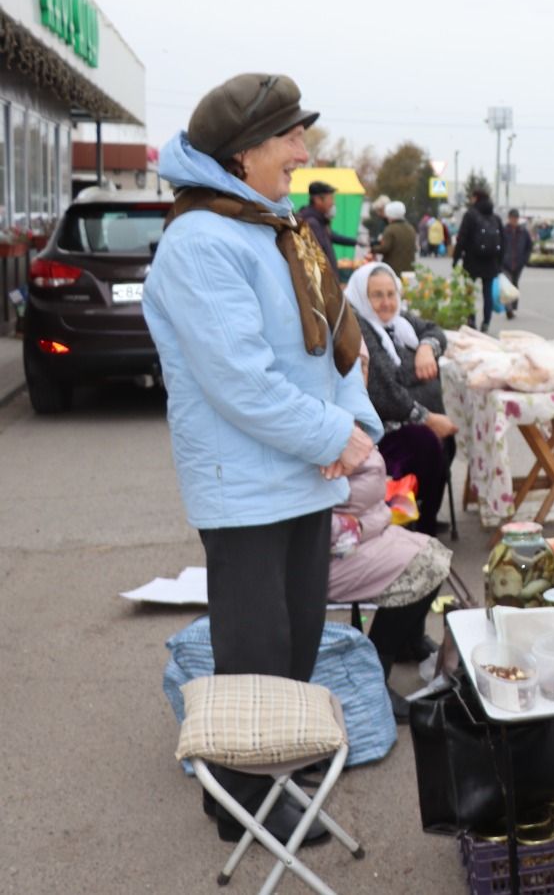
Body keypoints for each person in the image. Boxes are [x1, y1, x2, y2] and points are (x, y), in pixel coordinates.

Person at [144, 72, 381, 846]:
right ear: (245, 153)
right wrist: (328, 438)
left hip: (303, 478)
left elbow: (340, 343)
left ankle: (276, 763)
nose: (303, 152)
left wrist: (352, 430)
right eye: (291, 137)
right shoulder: (201, 242)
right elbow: (239, 382)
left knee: (301, 640)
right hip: (244, 488)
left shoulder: (277, 225)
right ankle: (238, 798)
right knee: (255, 650)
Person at [330, 340, 452, 722]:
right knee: (425, 564)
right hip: (332, 553)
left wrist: (381, 515)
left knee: (433, 552)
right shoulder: (329, 425)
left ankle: (403, 642)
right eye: (354, 367)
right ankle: (372, 681)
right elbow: (329, 523)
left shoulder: (350, 413)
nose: (362, 376)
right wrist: (378, 520)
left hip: (362, 534)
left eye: (364, 367)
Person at [344, 262, 458, 538]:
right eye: (377, 295)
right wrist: (429, 419)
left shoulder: (400, 323)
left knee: (444, 442)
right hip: (382, 428)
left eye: (391, 293)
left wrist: (426, 348)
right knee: (427, 443)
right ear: (362, 297)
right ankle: (419, 526)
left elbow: (434, 330)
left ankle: (423, 514)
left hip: (409, 418)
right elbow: (385, 393)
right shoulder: (361, 328)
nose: (386, 303)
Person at [453, 188, 503, 333]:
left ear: (476, 198)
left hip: (471, 261)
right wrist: (499, 263)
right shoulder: (495, 218)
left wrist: (456, 258)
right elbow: (503, 242)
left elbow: (461, 238)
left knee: (470, 292)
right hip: (490, 262)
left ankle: (471, 320)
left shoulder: (470, 215)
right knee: (487, 293)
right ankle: (486, 321)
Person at [297, 179, 359, 273]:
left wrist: (356, 242)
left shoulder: (320, 221)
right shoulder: (312, 223)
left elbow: (332, 236)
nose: (333, 203)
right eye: (330, 198)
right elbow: (319, 260)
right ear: (318, 200)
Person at [500, 209, 534, 320]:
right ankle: (508, 309)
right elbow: (498, 244)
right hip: (506, 263)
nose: (514, 220)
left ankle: (513, 307)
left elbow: (529, 246)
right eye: (512, 218)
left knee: (515, 285)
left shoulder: (523, 231)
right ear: (509, 218)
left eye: (516, 218)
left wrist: (525, 259)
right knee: (507, 286)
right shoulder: (504, 231)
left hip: (518, 263)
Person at [373, 200, 417, 274]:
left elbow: (385, 248)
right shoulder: (410, 228)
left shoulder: (390, 229)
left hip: (393, 268)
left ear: (389, 215)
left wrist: (373, 248)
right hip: (409, 268)